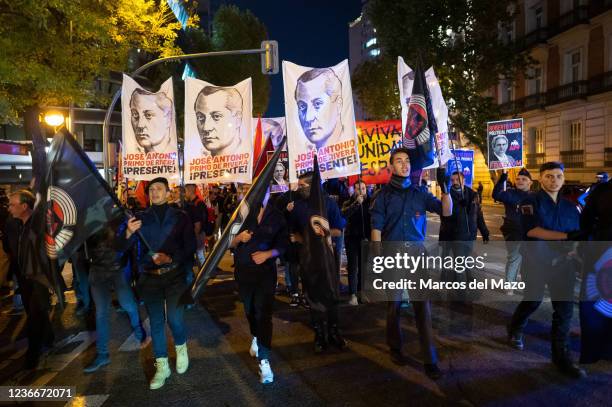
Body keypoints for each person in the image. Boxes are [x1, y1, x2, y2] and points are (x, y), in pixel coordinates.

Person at [370, 147, 452, 379]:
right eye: (399, 161)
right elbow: (376, 229)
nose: (405, 164)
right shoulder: (382, 197)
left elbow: (446, 211)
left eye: (407, 160)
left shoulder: (421, 193)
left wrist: (445, 189)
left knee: (422, 308)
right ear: (390, 167)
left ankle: (430, 359)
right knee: (393, 306)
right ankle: (395, 347)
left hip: (417, 257)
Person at [507, 162, 586, 379]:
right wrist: (567, 237)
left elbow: (577, 233)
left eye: (558, 176)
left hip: (564, 264)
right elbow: (533, 230)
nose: (554, 180)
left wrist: (576, 249)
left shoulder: (571, 207)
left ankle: (561, 358)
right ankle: (515, 328)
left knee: (565, 311)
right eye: (549, 176)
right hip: (536, 262)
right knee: (533, 300)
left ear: (564, 178)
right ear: (541, 179)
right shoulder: (529, 201)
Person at [118, 177, 196, 390]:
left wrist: (171, 258)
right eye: (151, 189)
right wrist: (127, 233)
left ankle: (181, 347)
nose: (154, 192)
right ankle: (162, 366)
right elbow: (122, 248)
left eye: (159, 189)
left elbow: (189, 246)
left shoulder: (181, 217)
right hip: (149, 278)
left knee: (174, 317)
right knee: (157, 323)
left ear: (168, 193)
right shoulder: (139, 218)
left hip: (174, 276)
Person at [230, 187, 288, 384]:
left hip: (266, 273)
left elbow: (283, 245)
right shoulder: (241, 214)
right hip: (244, 271)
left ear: (268, 191)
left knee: (263, 314)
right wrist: (238, 239)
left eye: (261, 189)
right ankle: (255, 335)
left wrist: (268, 254)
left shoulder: (277, 216)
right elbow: (227, 243)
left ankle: (264, 359)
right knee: (249, 310)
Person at [289, 171, 347, 352]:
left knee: (332, 295)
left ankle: (334, 331)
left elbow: (338, 229)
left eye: (302, 186)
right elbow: (293, 233)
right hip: (308, 259)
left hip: (328, 258)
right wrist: (301, 238)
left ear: (313, 186)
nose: (299, 189)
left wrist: (320, 234)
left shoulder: (328, 203)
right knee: (313, 297)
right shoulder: (297, 207)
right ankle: (319, 334)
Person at [83, 218, 147, 373]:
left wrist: (128, 233)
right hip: (97, 271)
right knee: (101, 313)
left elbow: (126, 245)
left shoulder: (117, 216)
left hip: (117, 269)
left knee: (128, 304)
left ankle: (139, 330)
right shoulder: (85, 219)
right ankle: (103, 354)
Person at [8, 190, 54, 369]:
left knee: (34, 316)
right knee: (37, 313)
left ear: (24, 206)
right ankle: (49, 338)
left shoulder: (36, 226)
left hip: (38, 279)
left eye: (13, 204)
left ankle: (32, 356)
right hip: (26, 278)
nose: (9, 208)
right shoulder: (21, 225)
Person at [578, 177, 612, 364]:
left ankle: (596, 350)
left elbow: (586, 221)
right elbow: (586, 220)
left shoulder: (600, 190)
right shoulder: (601, 190)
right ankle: (597, 350)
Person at [439, 171, 489, 283]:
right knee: (452, 258)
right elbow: (445, 215)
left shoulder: (473, 194)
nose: (455, 182)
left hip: (469, 233)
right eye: (452, 180)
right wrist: (458, 207)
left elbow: (478, 215)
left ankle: (467, 276)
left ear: (464, 180)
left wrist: (485, 232)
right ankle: (456, 284)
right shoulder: (447, 195)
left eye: (458, 179)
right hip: (452, 234)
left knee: (466, 257)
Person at [492, 168, 532, 290]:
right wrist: (503, 176)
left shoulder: (535, 197)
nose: (520, 181)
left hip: (531, 234)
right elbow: (496, 194)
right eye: (518, 179)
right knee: (514, 258)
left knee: (530, 261)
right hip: (514, 232)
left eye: (524, 179)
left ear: (530, 182)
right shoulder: (510, 194)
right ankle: (510, 286)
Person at [294, 68, 343, 149]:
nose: (308, 118)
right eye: (302, 106)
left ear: (339, 105)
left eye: (317, 104)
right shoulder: (303, 151)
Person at [341, 180, 370, 305]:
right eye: (358, 189)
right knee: (353, 267)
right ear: (354, 190)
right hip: (351, 238)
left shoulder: (371, 202)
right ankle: (352, 294)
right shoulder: (348, 202)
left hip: (365, 238)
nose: (361, 191)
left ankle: (361, 292)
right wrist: (356, 204)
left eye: (363, 188)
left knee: (364, 267)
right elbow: (344, 215)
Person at [194, 86, 243, 157]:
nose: (206, 128)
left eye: (216, 116)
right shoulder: (198, 158)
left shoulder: (254, 161)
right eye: (200, 117)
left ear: (238, 119)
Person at [129, 88, 175, 154]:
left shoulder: (177, 156)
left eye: (148, 115)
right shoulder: (134, 153)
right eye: (135, 114)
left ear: (168, 118)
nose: (140, 125)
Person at [184, 184, 207, 268]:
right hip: (197, 233)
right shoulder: (193, 203)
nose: (184, 193)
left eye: (185, 191)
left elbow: (198, 224)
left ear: (190, 191)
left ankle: (204, 273)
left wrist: (195, 236)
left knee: (200, 254)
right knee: (199, 255)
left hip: (198, 234)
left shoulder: (197, 203)